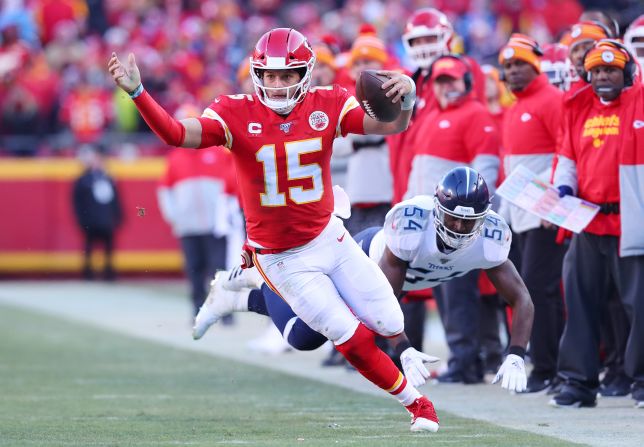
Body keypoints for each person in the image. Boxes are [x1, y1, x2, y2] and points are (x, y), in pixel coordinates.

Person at [108, 27, 443, 432]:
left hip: (328, 235)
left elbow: (391, 127)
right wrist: (138, 92)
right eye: (269, 75)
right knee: (347, 336)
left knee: (389, 317)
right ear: (257, 74)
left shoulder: (328, 102)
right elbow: (177, 134)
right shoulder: (235, 112)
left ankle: (399, 352)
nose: (277, 84)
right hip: (282, 257)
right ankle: (417, 405)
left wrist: (405, 99)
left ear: (305, 72)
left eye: (287, 76)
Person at [200, 167, 534, 393]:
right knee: (303, 336)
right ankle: (262, 274)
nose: (460, 229)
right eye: (452, 219)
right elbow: (385, 297)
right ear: (436, 210)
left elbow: (522, 298)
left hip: (390, 286)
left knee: (308, 333)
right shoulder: (412, 225)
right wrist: (402, 348)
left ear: (484, 218)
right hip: (362, 263)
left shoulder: (491, 237)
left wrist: (517, 352)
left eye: (469, 222)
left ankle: (241, 298)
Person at [551, 39, 644, 409]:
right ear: (587, 75)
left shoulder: (640, 102)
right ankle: (578, 382)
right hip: (587, 220)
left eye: (612, 70)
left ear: (628, 73)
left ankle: (641, 380)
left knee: (638, 306)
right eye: (598, 71)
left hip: (630, 222)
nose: (604, 76)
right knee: (579, 301)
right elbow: (567, 154)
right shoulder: (577, 107)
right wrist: (563, 184)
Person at [157, 144, 237, 317]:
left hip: (215, 225)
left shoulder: (218, 152)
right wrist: (175, 217)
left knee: (220, 269)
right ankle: (198, 310)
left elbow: (233, 181)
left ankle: (225, 311)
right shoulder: (175, 157)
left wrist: (226, 215)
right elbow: (164, 189)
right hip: (188, 227)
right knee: (194, 270)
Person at [72, 144, 122, 280]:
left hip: (106, 219)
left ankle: (109, 272)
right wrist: (82, 219)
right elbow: (77, 202)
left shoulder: (109, 178)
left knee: (109, 247)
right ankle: (88, 273)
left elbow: (115, 199)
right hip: (91, 219)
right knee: (89, 247)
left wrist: (118, 217)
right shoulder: (83, 180)